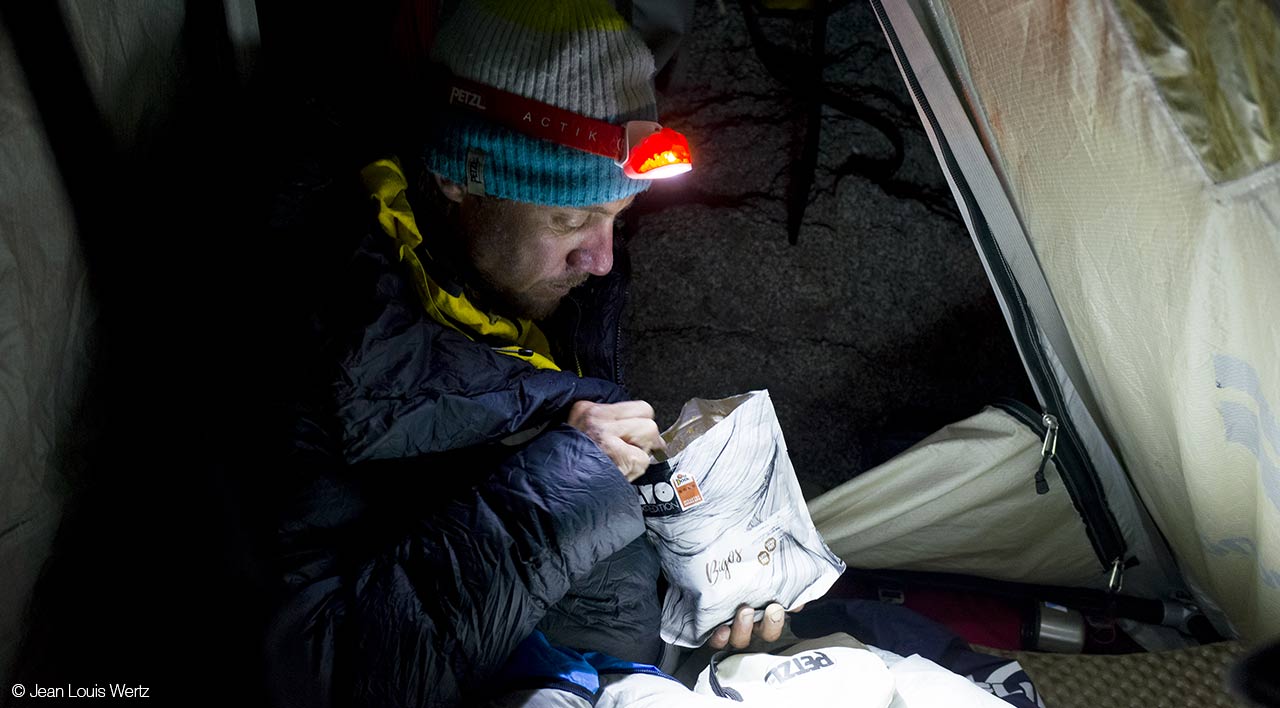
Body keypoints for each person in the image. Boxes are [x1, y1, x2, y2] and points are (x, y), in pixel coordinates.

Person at [265, 1, 786, 706]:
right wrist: (572, 475)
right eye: (569, 218)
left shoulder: (541, 294)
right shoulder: (311, 338)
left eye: (618, 217)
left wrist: (705, 595)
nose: (602, 260)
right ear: (458, 179)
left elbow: (552, 594)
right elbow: (320, 676)